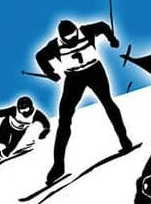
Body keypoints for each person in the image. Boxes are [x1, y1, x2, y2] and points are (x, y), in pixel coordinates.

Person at [35, 18, 133, 185]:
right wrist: (50, 73)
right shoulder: (54, 46)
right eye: (68, 39)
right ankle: (58, 166)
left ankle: (124, 140)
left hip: (95, 71)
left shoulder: (87, 30)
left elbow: (103, 26)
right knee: (64, 120)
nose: (73, 40)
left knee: (108, 103)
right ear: (61, 37)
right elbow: (40, 56)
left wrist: (112, 39)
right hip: (74, 78)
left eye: (74, 35)